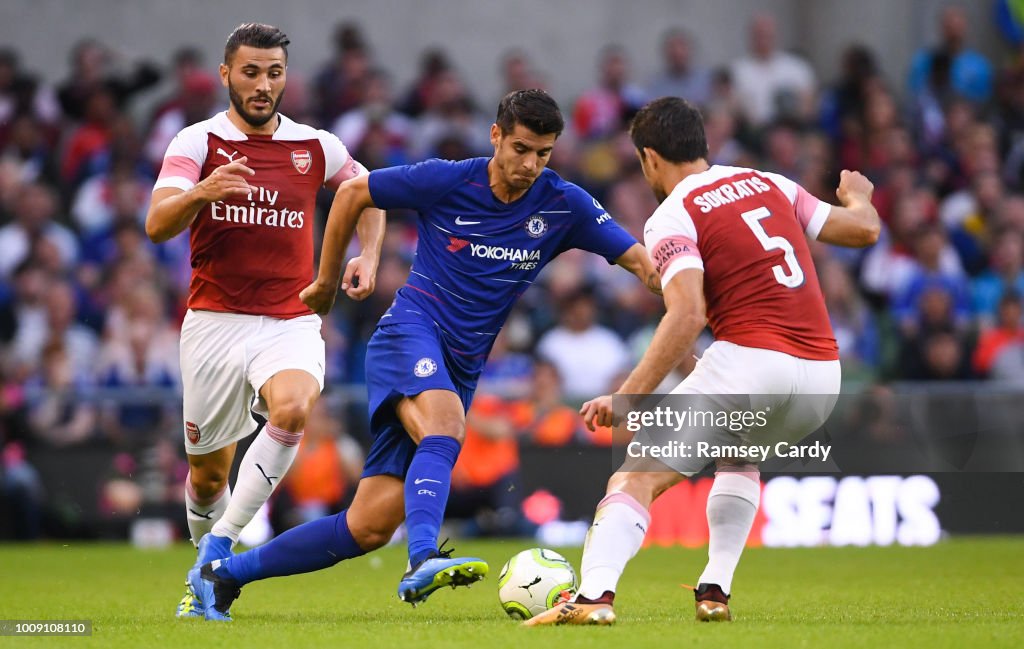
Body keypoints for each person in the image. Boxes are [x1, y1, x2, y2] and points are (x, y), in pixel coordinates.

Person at [187, 89, 660, 619]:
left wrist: (690, 292)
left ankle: (220, 576)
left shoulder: (562, 204)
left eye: (543, 153)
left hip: (460, 366)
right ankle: (423, 559)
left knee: (367, 525)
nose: (530, 164)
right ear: (496, 136)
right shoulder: (450, 179)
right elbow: (351, 194)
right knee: (446, 427)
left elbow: (642, 263)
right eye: (521, 148)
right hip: (408, 333)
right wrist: (325, 282)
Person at [525, 97, 879, 626]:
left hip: (752, 367)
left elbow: (687, 312)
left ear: (649, 158)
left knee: (634, 479)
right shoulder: (770, 183)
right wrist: (860, 196)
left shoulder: (672, 214)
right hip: (822, 379)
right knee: (737, 457)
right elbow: (864, 230)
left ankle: (594, 598)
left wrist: (631, 396)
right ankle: (714, 590)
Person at [144, 23, 384, 620]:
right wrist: (202, 193)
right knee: (205, 477)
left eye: (273, 72)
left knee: (295, 408)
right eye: (250, 72)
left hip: (290, 318)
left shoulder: (316, 146)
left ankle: (218, 553)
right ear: (226, 74)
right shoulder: (196, 142)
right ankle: (204, 560)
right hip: (214, 324)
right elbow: (156, 224)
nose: (262, 84)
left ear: (285, 77)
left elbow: (366, 194)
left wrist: (369, 253)